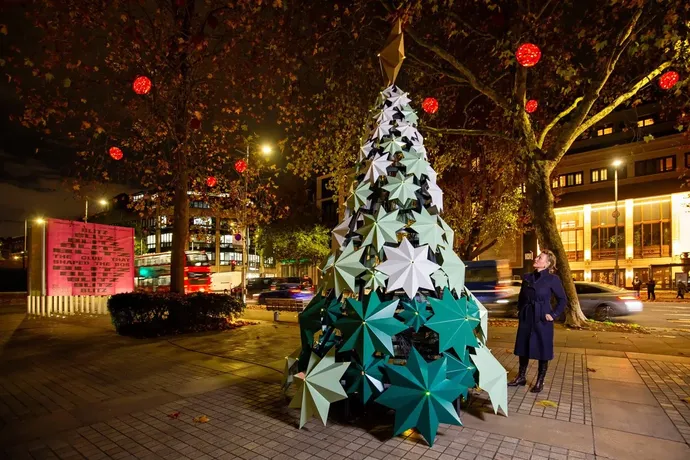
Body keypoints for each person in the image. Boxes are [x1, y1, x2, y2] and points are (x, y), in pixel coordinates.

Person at [508, 250, 567, 393]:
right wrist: (520, 310)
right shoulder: (527, 277)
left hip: (542, 318)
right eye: (538, 256)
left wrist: (553, 314)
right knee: (523, 346)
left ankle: (540, 381)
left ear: (547, 264)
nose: (536, 258)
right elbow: (522, 297)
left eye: (540, 257)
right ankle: (521, 377)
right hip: (527, 316)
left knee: (543, 348)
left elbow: (562, 299)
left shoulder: (553, 279)